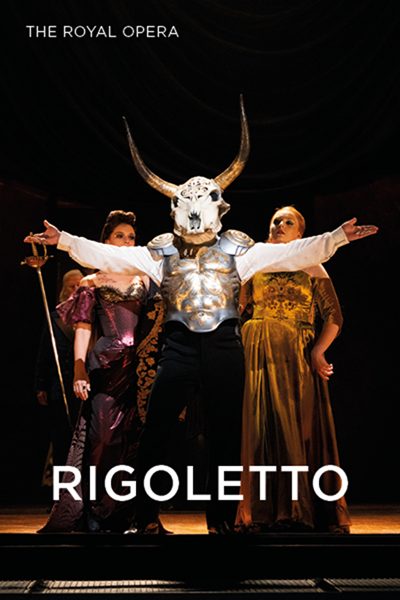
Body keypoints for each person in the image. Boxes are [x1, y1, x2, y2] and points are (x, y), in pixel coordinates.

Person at [26, 100, 377, 534]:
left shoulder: (237, 249)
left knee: (226, 434)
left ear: (217, 208)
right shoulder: (161, 252)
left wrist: (336, 237)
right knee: (156, 431)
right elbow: (111, 255)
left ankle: (221, 521)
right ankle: (145, 516)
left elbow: (290, 253)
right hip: (178, 349)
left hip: (225, 346)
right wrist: (65, 240)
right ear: (176, 211)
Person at [236, 206, 351, 534]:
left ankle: (298, 509)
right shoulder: (255, 262)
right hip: (257, 350)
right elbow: (236, 309)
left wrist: (318, 350)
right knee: (260, 428)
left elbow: (334, 316)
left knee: (295, 426)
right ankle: (259, 511)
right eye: (276, 221)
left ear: (300, 233)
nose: (280, 225)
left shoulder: (312, 264)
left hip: (296, 353)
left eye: (289, 222)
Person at [39, 210, 150, 533]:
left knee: (132, 439)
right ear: (106, 241)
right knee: (101, 438)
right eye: (120, 236)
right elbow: (84, 328)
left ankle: (126, 514)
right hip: (105, 364)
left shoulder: (144, 279)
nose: (127, 242)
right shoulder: (91, 282)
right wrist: (78, 368)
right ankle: (96, 511)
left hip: (138, 367)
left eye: (131, 237)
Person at [35, 269, 83, 470]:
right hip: (60, 385)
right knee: (62, 437)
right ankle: (61, 484)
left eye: (79, 285)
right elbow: (45, 351)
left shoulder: (93, 314)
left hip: (84, 385)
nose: (76, 289)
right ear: (64, 289)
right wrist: (41, 384)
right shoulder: (54, 318)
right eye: (72, 286)